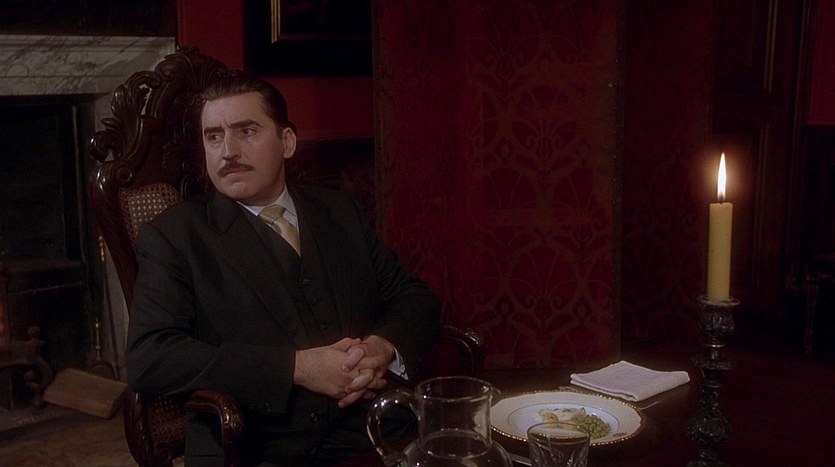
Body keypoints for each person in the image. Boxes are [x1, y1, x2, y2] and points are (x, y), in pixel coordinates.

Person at [126, 74, 441, 466]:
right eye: (214, 137)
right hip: (252, 449)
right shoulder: (175, 236)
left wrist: (381, 348)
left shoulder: (339, 211)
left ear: (287, 142)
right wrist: (298, 368)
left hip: (375, 430)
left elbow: (416, 297)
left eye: (246, 131)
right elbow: (151, 357)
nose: (228, 151)